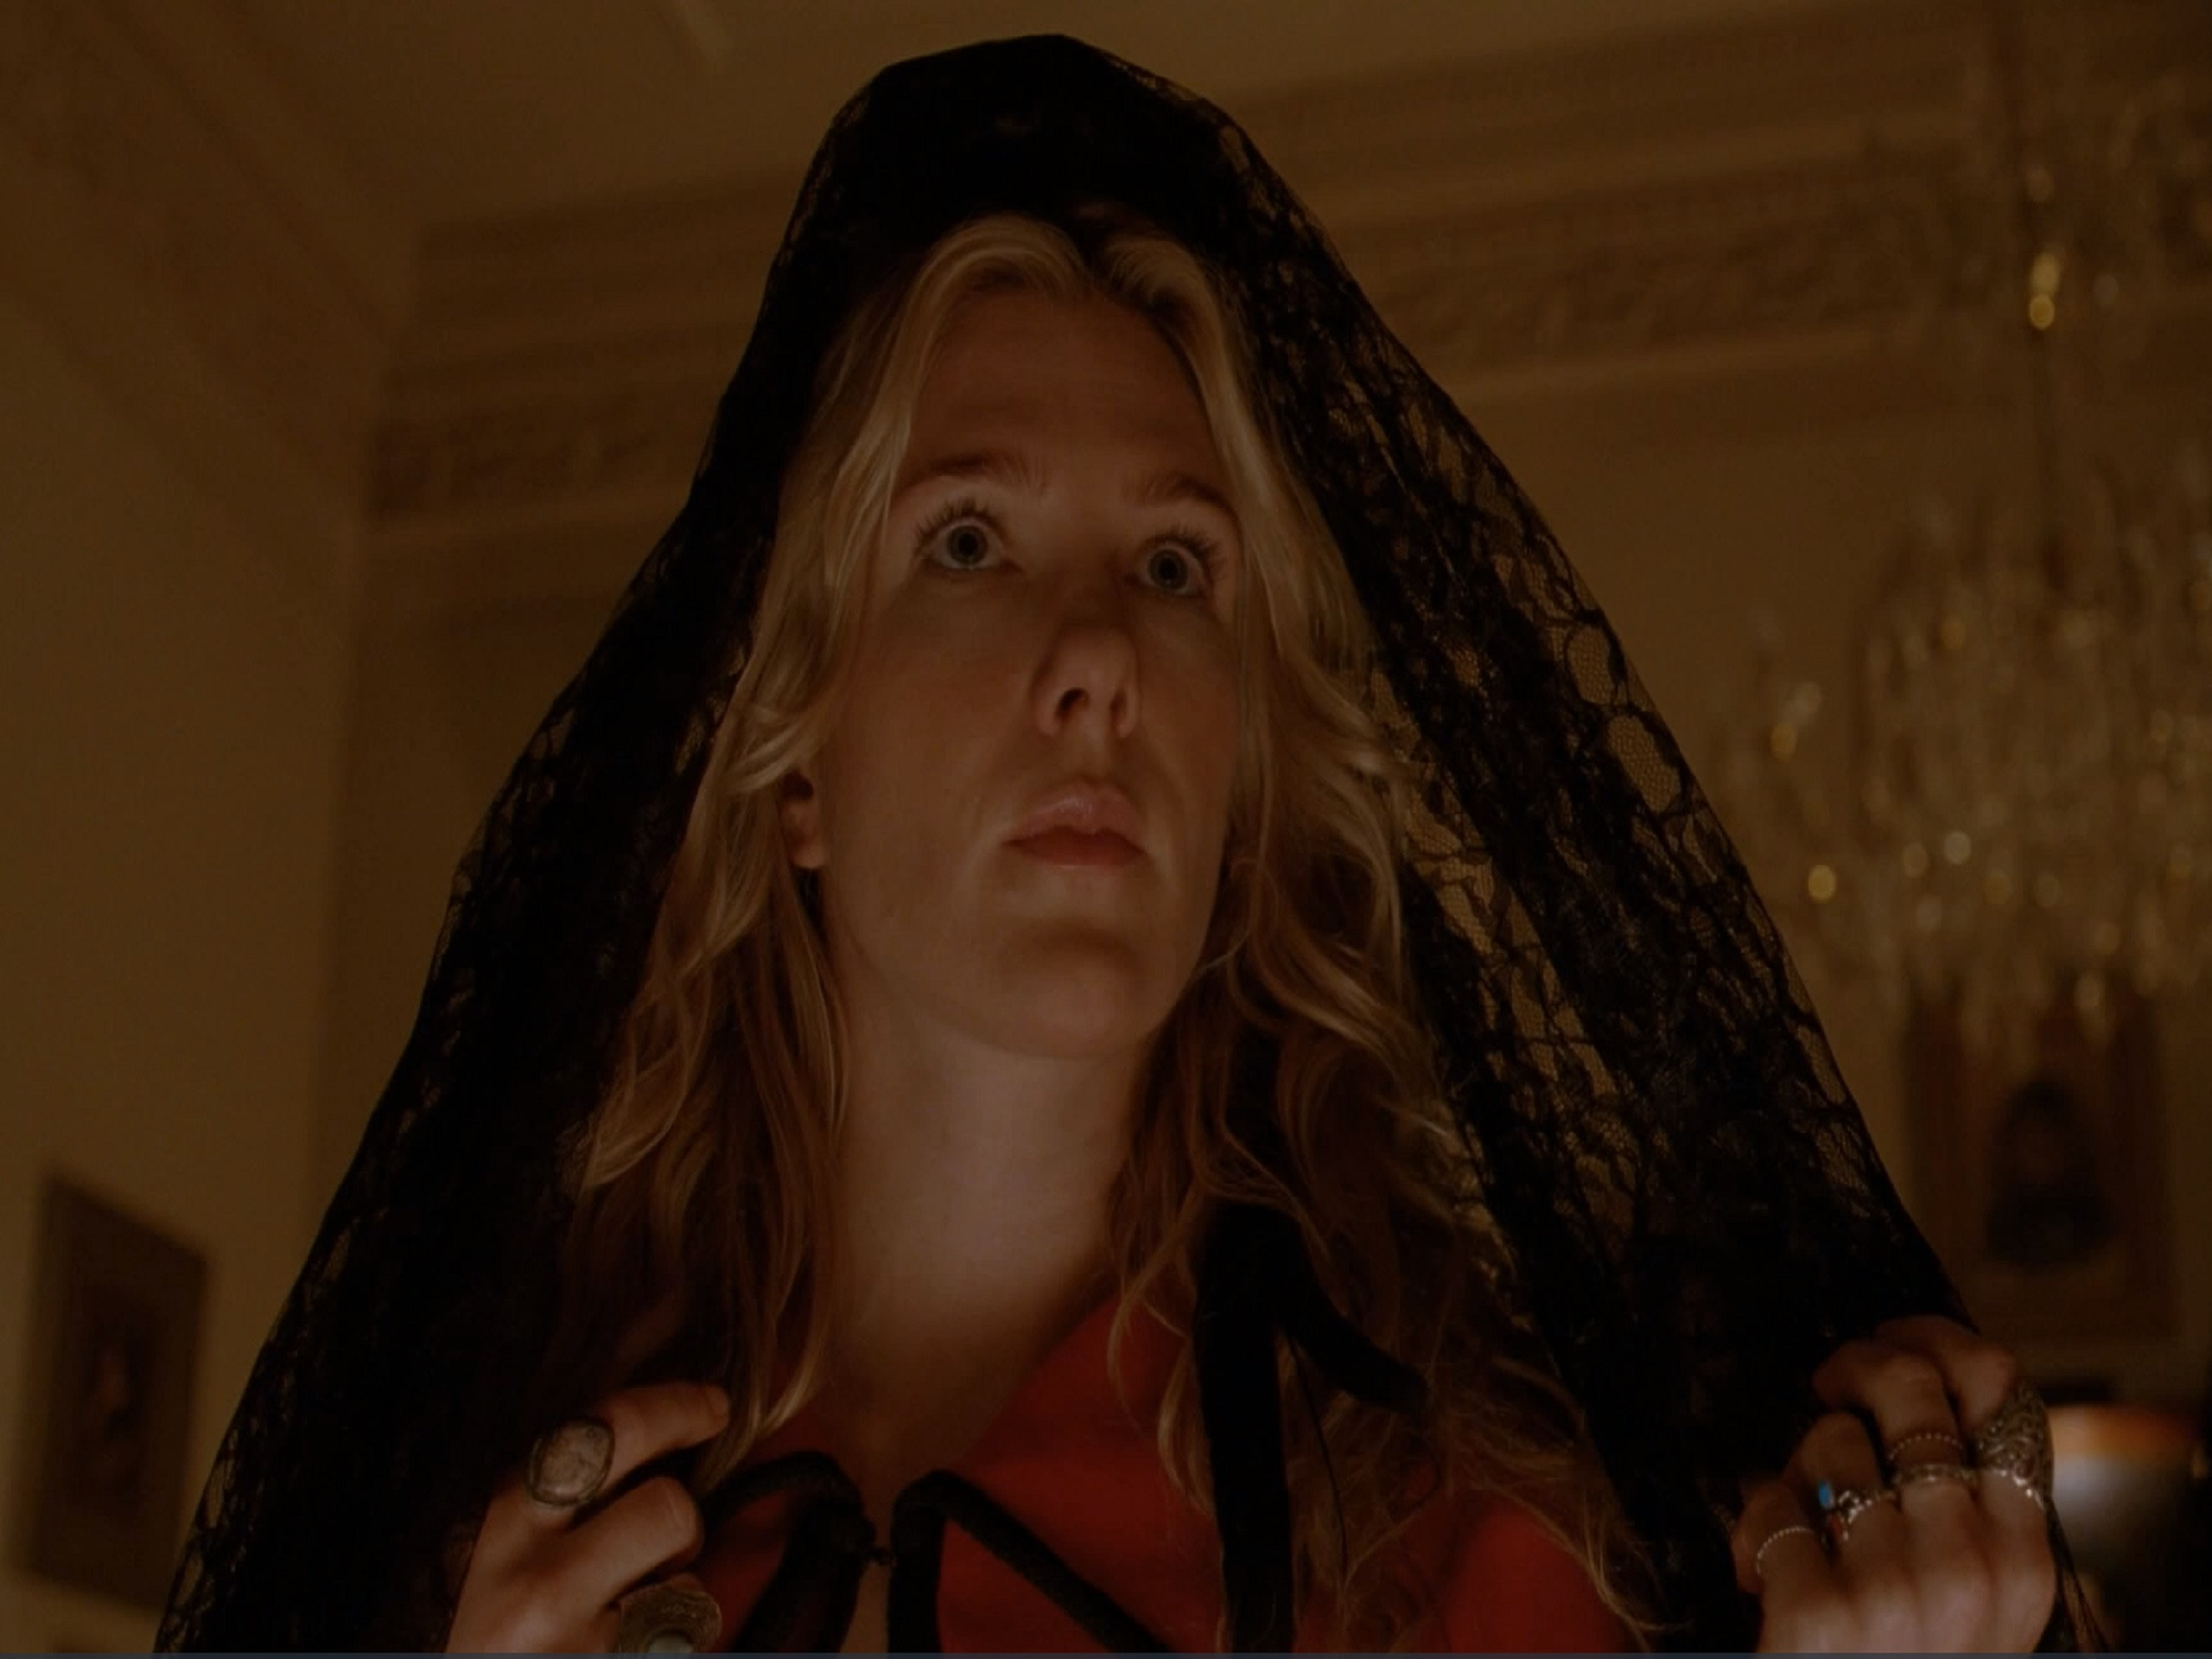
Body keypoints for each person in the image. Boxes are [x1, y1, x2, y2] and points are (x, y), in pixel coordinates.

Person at [156, 36, 2088, 1653]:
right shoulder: (508, 1535)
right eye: (968, 541)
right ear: (791, 763)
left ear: (1241, 784)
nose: (1099, 659)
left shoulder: (1456, 1539)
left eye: (1175, 567)